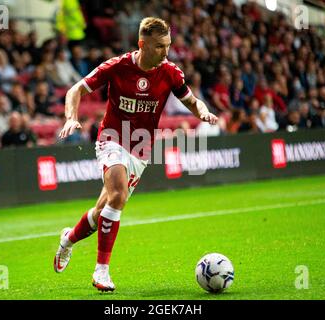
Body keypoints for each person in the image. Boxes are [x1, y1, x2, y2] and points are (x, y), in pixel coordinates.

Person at [54, 17, 218, 292]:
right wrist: (71, 118)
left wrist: (201, 111)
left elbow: (191, 100)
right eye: (158, 47)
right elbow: (76, 90)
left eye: (167, 46)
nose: (165, 53)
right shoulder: (117, 66)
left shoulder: (171, 72)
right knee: (118, 197)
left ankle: (68, 239)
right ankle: (101, 271)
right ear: (142, 44)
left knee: (101, 212)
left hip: (141, 149)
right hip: (112, 139)